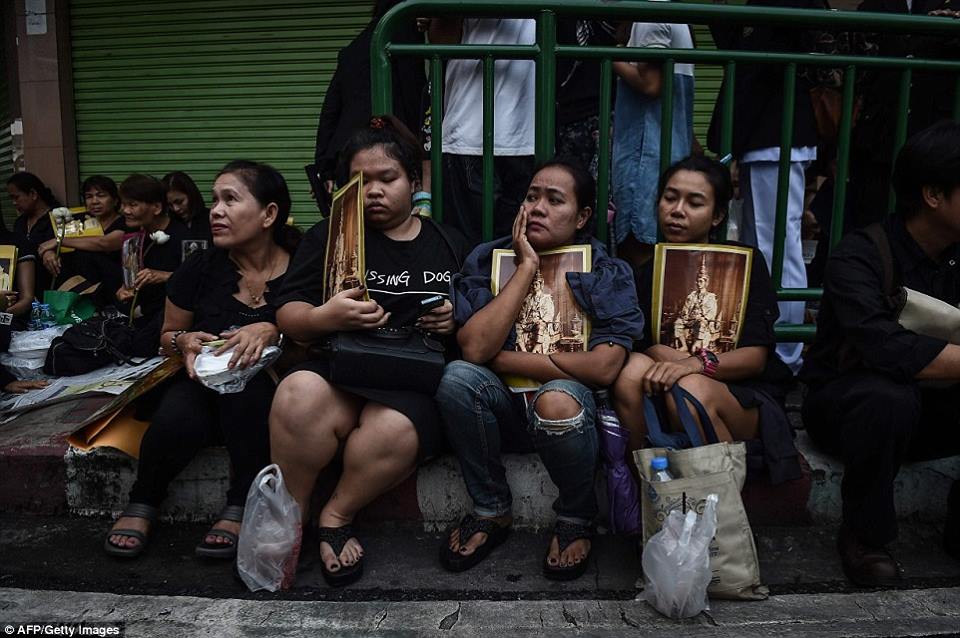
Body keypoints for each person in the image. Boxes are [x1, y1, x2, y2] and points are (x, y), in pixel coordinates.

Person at [270, 116, 466, 587]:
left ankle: (335, 516)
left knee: (395, 430)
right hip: (338, 370)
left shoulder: (449, 242)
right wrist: (327, 317)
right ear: (342, 185)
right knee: (297, 393)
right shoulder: (327, 236)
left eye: (388, 178)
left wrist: (453, 319)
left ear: (413, 183)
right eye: (361, 180)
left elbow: (476, 325)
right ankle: (290, 518)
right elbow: (287, 314)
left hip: (408, 386)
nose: (374, 190)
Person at [435, 159, 643, 580]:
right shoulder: (488, 259)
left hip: (569, 414)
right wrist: (525, 267)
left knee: (556, 399)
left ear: (583, 216)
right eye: (532, 196)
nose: (538, 208)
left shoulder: (603, 269)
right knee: (456, 379)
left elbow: (604, 367)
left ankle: (576, 515)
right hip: (504, 409)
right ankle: (491, 508)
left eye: (554, 199)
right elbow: (474, 349)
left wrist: (510, 359)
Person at [103, 160, 296, 560]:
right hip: (200, 381)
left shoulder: (302, 263)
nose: (215, 210)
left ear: (269, 214)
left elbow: (315, 327)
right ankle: (144, 500)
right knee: (177, 415)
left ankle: (240, 503)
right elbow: (167, 336)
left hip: (272, 385)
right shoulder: (200, 266)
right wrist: (186, 340)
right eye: (214, 200)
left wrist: (272, 328)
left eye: (230, 200)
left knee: (249, 398)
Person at [801, 121, 960, 587]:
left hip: (934, 410)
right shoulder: (860, 254)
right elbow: (884, 349)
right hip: (849, 408)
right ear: (933, 194)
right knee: (887, 397)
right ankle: (864, 537)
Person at [612, 156, 800, 485]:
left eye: (694, 203)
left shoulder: (743, 265)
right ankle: (647, 491)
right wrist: (659, 353)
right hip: (666, 395)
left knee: (690, 388)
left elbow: (755, 359)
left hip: (738, 397)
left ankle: (720, 511)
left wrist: (692, 364)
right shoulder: (646, 272)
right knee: (631, 371)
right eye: (670, 198)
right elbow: (638, 348)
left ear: (717, 216)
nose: (677, 210)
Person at [707, 0, 824, 373]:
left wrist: (732, 144)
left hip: (774, 135)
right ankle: (779, 345)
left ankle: (786, 351)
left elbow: (755, 68)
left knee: (777, 245)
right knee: (768, 244)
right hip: (770, 136)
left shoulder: (776, 10)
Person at [427, 18, 536, 246]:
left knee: (514, 252)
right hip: (473, 133)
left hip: (517, 134)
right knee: (473, 253)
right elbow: (442, 40)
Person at [313, 0, 425, 206]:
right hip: (389, 152)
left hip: (348, 152)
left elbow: (330, 110)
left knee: (354, 221)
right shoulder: (403, 34)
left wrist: (324, 164)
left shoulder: (355, 46)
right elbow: (414, 95)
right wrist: (420, 151)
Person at [612, 11, 696, 268]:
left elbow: (650, 84)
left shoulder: (651, 15)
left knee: (640, 252)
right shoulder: (671, 15)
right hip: (664, 153)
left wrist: (610, 55)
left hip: (645, 157)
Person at [116, 174, 190, 356]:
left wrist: (165, 276)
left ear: (156, 207)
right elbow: (129, 279)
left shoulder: (184, 238)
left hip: (169, 318)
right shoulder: (133, 239)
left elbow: (200, 284)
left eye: (133, 205)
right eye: (124, 204)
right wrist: (124, 289)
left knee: (140, 346)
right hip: (140, 313)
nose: (125, 210)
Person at [36, 176, 128, 306]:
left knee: (85, 255)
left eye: (101, 196)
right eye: (89, 196)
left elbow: (106, 243)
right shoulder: (78, 221)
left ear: (115, 200)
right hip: (78, 282)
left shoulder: (125, 222)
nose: (94, 201)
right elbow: (49, 242)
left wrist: (60, 241)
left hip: (112, 283)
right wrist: (49, 253)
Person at [7, 172, 60, 293]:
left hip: (53, 289)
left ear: (33, 194)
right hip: (25, 290)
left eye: (16, 197)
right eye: (11, 199)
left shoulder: (57, 218)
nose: (14, 203)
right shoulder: (20, 223)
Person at [162, 171, 212, 251]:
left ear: (191, 194)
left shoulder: (212, 219)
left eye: (179, 202)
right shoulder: (167, 224)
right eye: (170, 205)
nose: (176, 209)